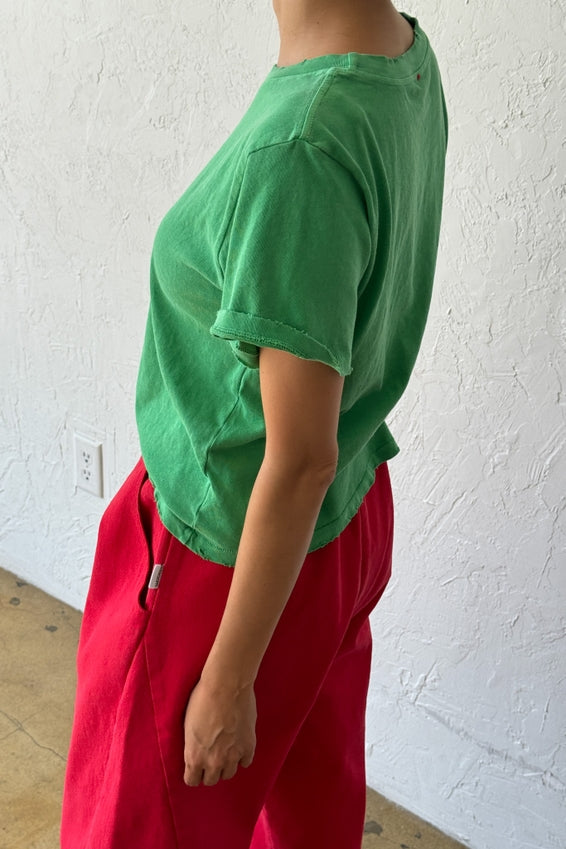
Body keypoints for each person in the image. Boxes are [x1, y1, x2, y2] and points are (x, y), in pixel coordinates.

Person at [60, 1, 448, 847]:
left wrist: (229, 680)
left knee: (141, 828)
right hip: (338, 523)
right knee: (311, 818)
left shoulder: (302, 148)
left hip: (231, 555)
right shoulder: (400, 57)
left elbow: (298, 457)